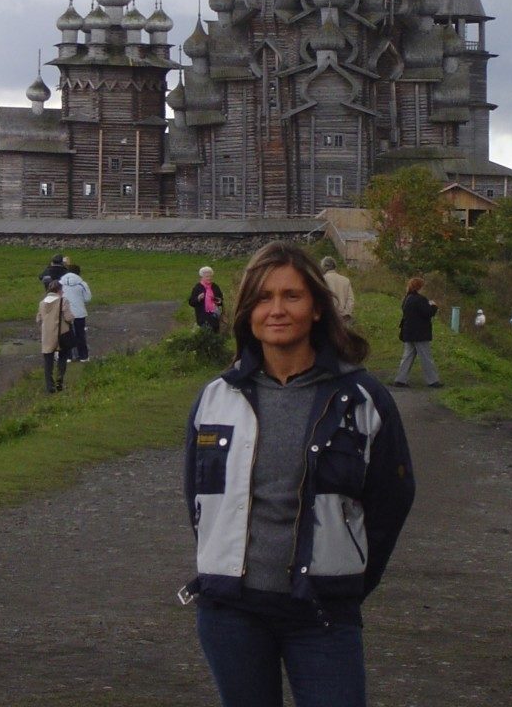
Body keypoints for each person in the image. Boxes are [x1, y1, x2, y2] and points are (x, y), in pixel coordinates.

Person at [181, 241, 415, 707]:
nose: (277, 310)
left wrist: (348, 577)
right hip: (232, 613)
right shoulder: (216, 399)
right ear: (247, 311)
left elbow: (391, 499)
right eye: (264, 298)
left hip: (323, 613)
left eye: (292, 296)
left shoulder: (361, 398)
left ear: (316, 309)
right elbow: (199, 500)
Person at [392, 277, 442, 389]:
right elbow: (428, 313)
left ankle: (400, 379)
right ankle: (433, 381)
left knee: (407, 357)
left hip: (408, 331)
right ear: (419, 287)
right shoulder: (421, 299)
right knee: (426, 358)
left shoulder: (407, 298)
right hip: (420, 333)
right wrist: (434, 306)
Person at [36, 280, 75, 393]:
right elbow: (68, 317)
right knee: (62, 358)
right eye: (62, 290)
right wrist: (72, 318)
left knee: (48, 361)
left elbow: (38, 319)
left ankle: (49, 386)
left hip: (47, 335)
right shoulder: (63, 300)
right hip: (61, 334)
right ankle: (59, 383)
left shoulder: (42, 303)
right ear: (58, 291)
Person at [60, 264, 92, 362]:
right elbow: (88, 298)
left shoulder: (60, 283)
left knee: (66, 334)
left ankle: (67, 356)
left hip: (65, 312)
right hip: (79, 312)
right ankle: (83, 356)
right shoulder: (82, 284)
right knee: (80, 335)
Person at [320, 255, 355, 323]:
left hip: (327, 317)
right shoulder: (346, 280)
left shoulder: (322, 279)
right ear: (335, 266)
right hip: (343, 318)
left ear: (324, 267)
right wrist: (346, 313)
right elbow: (351, 299)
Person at [188, 266, 224, 332]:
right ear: (202, 277)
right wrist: (198, 298)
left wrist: (219, 301)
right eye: (207, 277)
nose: (209, 278)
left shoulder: (215, 286)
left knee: (215, 332)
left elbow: (221, 300)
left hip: (214, 315)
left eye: (210, 276)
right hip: (202, 316)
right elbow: (191, 302)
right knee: (205, 333)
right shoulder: (197, 287)